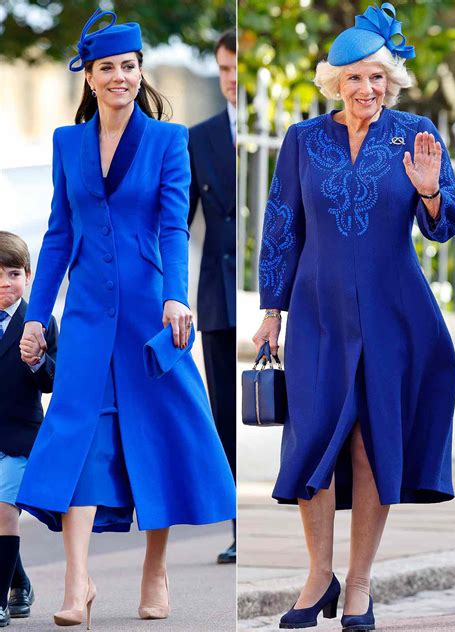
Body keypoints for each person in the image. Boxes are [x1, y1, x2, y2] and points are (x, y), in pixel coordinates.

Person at [252, 3, 455, 630]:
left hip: (392, 313)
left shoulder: (416, 133)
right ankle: (319, 575)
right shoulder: (302, 140)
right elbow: (281, 226)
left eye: (377, 77)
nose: (366, 89)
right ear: (334, 82)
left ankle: (361, 586)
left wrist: (431, 190)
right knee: (315, 436)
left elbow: (447, 224)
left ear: (391, 81)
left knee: (373, 445)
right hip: (318, 315)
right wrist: (272, 308)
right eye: (354, 77)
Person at [16, 8, 235, 628]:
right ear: (89, 76)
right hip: (85, 315)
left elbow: (173, 226)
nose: (119, 77)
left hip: (149, 314)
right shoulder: (67, 143)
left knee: (157, 435)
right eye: (107, 67)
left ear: (141, 71)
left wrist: (176, 296)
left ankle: (155, 569)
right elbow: (59, 234)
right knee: (78, 436)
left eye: (129, 66)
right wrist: (37, 316)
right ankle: (78, 581)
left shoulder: (169, 142)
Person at [188, 28, 237, 564]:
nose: (230, 81)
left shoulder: (285, 128)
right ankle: (236, 529)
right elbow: (178, 227)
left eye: (238, 70)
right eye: (223, 70)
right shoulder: (197, 137)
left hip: (281, 289)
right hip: (217, 296)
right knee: (224, 411)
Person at [0, 231, 57, 627]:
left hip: (20, 437)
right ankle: (19, 582)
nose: (5, 282)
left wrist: (37, 360)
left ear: (29, 275)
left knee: (3, 512)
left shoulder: (40, 322)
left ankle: (0, 600)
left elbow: (55, 381)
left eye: (13, 273)